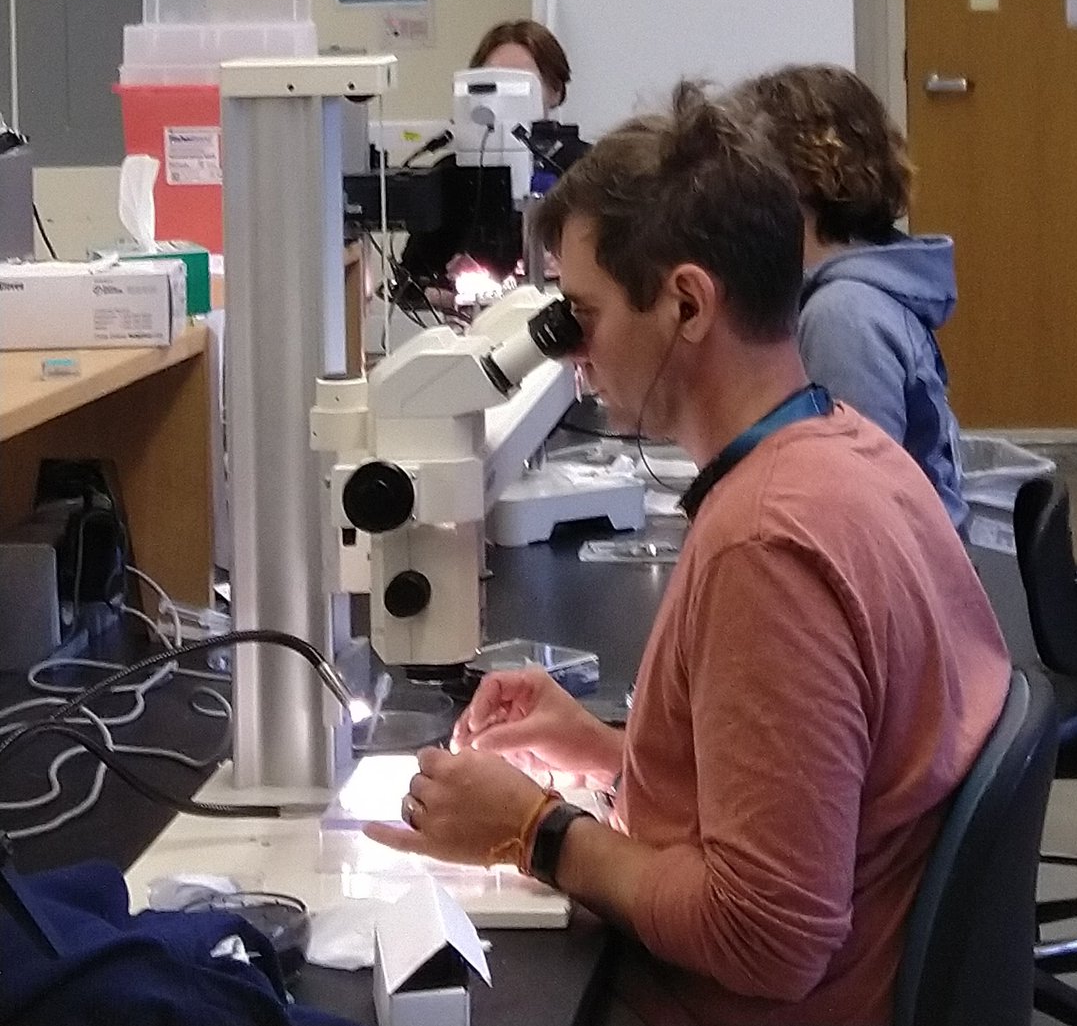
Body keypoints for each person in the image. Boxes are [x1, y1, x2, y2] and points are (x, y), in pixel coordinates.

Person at [367, 83, 1011, 1026]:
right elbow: (810, 789)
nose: (573, 355)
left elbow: (768, 935)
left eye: (582, 315)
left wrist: (534, 830)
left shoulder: (766, 548)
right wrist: (612, 754)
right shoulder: (847, 450)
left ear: (687, 304)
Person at [732, 65, 968, 531]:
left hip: (896, 562)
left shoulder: (843, 315)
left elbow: (855, 511)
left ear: (796, 182)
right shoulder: (865, 284)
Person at [399, 19, 585, 295]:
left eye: (519, 81)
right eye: (494, 81)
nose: (503, 96)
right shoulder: (452, 175)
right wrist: (450, 291)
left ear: (555, 90)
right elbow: (411, 281)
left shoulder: (586, 169)